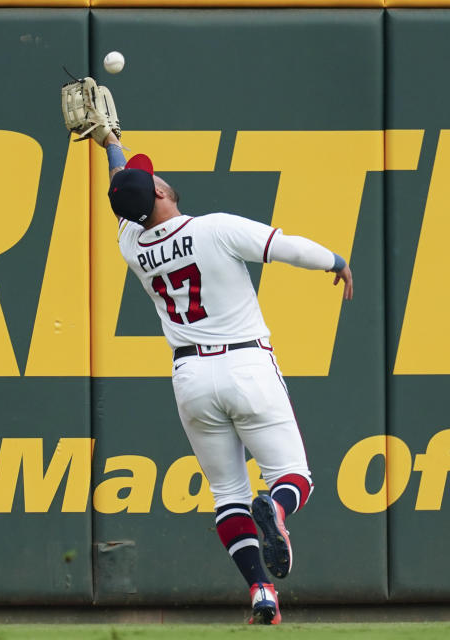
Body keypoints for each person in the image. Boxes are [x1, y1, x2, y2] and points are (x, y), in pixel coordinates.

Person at [100, 131, 353, 625]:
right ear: (160, 193)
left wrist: (112, 145)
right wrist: (336, 262)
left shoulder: (131, 243)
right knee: (293, 479)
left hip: (191, 376)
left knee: (228, 495)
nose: (157, 177)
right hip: (246, 364)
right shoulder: (213, 228)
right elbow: (287, 248)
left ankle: (261, 591)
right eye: (153, 178)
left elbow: (122, 191)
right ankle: (276, 512)